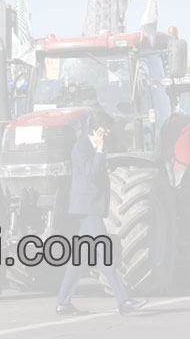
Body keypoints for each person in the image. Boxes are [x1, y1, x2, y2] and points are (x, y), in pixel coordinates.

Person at [56, 110, 148, 316]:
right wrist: (99, 150)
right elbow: (90, 174)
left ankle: (63, 303)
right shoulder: (82, 147)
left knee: (78, 259)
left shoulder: (89, 146)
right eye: (105, 129)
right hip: (87, 209)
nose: (107, 132)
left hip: (90, 207)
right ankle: (124, 300)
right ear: (97, 129)